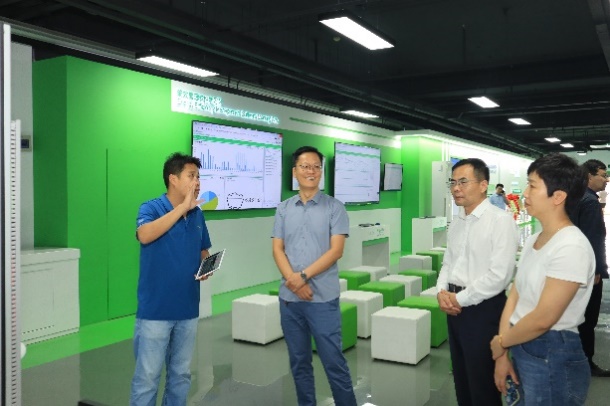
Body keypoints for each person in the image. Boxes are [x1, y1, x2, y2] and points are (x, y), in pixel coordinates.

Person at [490, 153, 594, 405]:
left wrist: (501, 342)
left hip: (552, 351)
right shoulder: (534, 240)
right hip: (520, 341)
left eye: (532, 185)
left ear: (558, 197)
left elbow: (544, 318)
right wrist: (503, 353)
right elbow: (515, 296)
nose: (525, 193)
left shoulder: (571, 246)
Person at [272, 146, 356, 406]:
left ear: (321, 171)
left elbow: (336, 251)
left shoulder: (335, 207)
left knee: (334, 363)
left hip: (322, 300)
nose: (311, 171)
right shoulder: (284, 208)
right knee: (299, 363)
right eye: (305, 166)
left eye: (316, 167)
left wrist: (303, 276)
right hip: (290, 300)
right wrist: (294, 281)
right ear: (294, 171)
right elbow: (277, 249)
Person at [130, 152, 212, 406]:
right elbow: (145, 235)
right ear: (173, 179)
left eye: (198, 176)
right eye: (191, 176)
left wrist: (207, 265)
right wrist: (181, 209)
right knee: (147, 379)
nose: (197, 181)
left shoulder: (197, 215)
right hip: (155, 312)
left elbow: (203, 250)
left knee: (180, 376)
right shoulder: (151, 208)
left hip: (188, 310)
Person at [436, 158, 519, 406]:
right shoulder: (457, 221)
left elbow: (499, 276)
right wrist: (441, 292)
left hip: (484, 310)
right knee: (462, 379)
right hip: (455, 309)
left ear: (483, 185)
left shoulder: (500, 221)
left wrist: (458, 299)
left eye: (463, 182)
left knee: (482, 385)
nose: (456, 188)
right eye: (453, 182)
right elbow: (448, 262)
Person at [568, 159, 610, 376]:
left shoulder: (574, 197)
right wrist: (597, 270)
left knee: (575, 316)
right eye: (602, 175)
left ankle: (573, 359)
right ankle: (585, 363)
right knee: (588, 318)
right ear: (589, 176)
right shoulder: (590, 202)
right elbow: (594, 239)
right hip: (587, 271)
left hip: (572, 267)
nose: (606, 179)